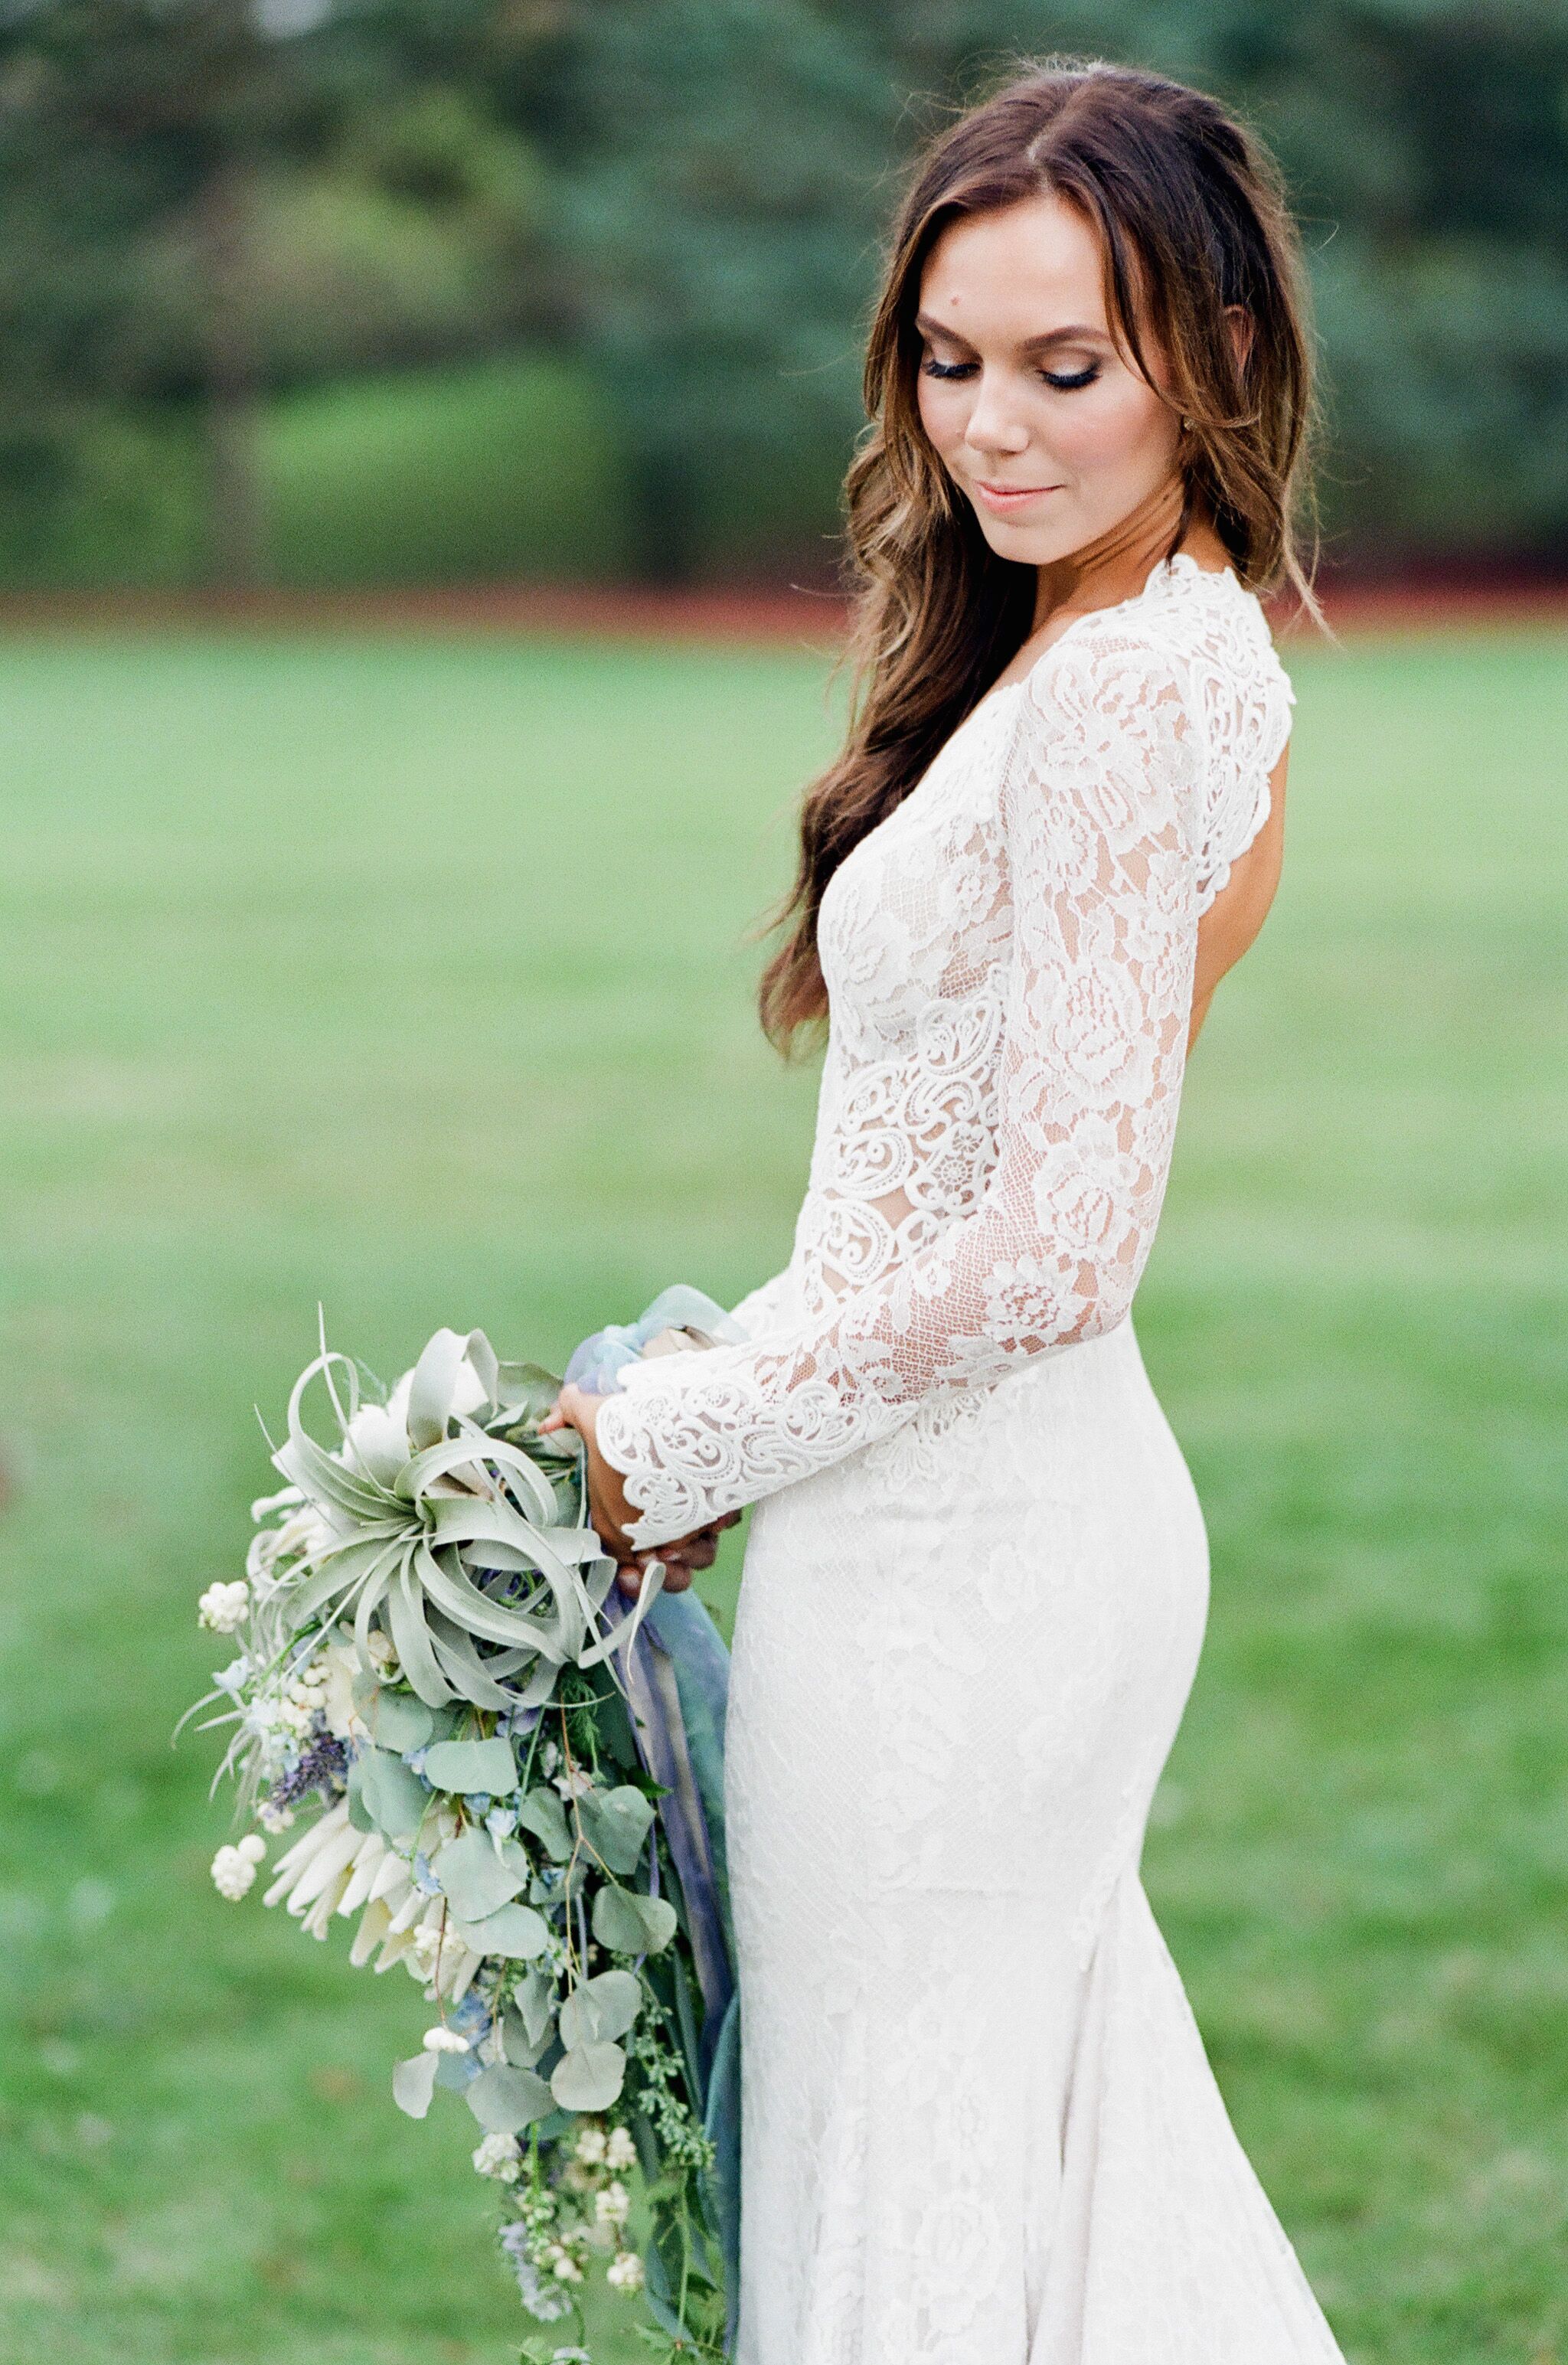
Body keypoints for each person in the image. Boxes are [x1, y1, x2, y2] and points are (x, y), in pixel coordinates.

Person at [543, 57, 1346, 2364]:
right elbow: (926, 1192)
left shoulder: (1122, 697)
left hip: (973, 1575)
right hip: (938, 1522)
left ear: (1210, 352)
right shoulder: (1134, 643)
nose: (994, 427)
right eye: (951, 358)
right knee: (999, 2162)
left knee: (907, 2174)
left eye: (1067, 368)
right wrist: (731, 1408)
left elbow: (1063, 1237)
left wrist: (673, 1452)